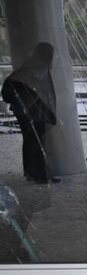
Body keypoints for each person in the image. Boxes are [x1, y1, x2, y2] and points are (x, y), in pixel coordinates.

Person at [2, 42, 59, 184]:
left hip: (19, 107)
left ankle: (30, 172)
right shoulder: (41, 68)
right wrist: (51, 113)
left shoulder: (28, 64)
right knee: (37, 140)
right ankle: (40, 174)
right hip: (32, 109)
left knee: (29, 139)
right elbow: (46, 93)